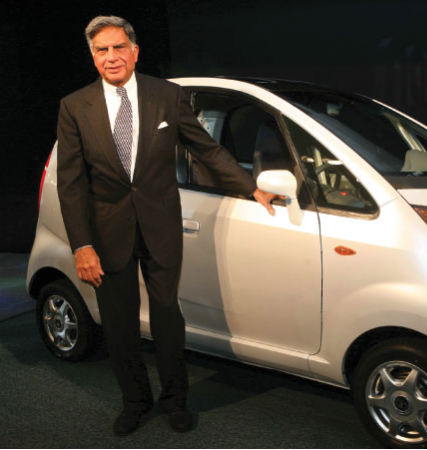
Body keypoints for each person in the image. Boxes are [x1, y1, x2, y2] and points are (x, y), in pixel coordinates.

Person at [56, 15, 278, 436]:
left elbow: (206, 149)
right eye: (102, 50)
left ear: (135, 51)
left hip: (160, 227)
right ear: (93, 57)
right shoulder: (74, 106)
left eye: (118, 47)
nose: (111, 57)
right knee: (118, 325)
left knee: (166, 318)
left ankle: (176, 400)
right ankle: (135, 402)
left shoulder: (167, 96)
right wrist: (82, 245)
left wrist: (250, 187)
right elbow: (71, 183)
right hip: (106, 233)